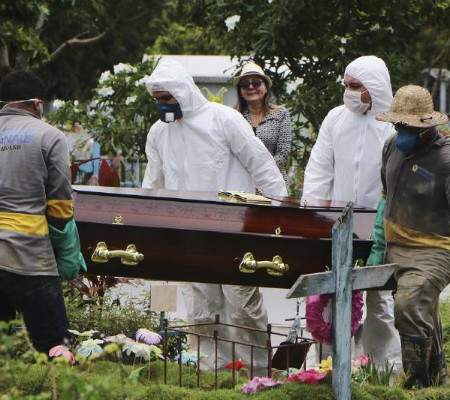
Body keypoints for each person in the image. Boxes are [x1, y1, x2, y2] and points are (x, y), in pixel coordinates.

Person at [142, 58, 288, 373]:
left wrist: (281, 215)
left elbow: (262, 165)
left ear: (183, 91)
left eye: (167, 98)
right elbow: (153, 185)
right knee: (201, 310)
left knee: (243, 305)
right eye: (158, 100)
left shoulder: (224, 119)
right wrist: (149, 228)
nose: (163, 105)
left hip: (234, 231)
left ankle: (258, 374)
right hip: (188, 236)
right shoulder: (158, 133)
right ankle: (210, 375)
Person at [302, 55, 402, 370]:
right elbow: (319, 169)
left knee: (378, 301)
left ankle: (382, 374)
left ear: (374, 87)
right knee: (329, 299)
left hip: (379, 228)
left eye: (355, 86)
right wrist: (312, 218)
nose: (348, 92)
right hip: (337, 226)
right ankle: (328, 372)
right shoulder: (336, 118)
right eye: (346, 85)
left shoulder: (393, 126)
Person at [0, 71, 86, 355]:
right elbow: (60, 204)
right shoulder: (49, 136)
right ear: (37, 104)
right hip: (30, 256)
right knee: (54, 347)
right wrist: (65, 248)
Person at [372, 85, 449, 387]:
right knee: (423, 308)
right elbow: (385, 197)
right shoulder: (392, 147)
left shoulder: (445, 160)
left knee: (409, 304)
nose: (400, 131)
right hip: (396, 245)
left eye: (408, 127)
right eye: (397, 124)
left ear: (427, 127)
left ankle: (415, 383)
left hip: (434, 248)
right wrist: (378, 243)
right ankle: (437, 375)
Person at [234, 62, 292, 188]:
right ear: (240, 91)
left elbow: (283, 152)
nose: (250, 87)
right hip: (241, 184)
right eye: (245, 84)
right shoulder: (233, 116)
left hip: (274, 183)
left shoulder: (281, 114)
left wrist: (262, 171)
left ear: (266, 87)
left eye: (256, 83)